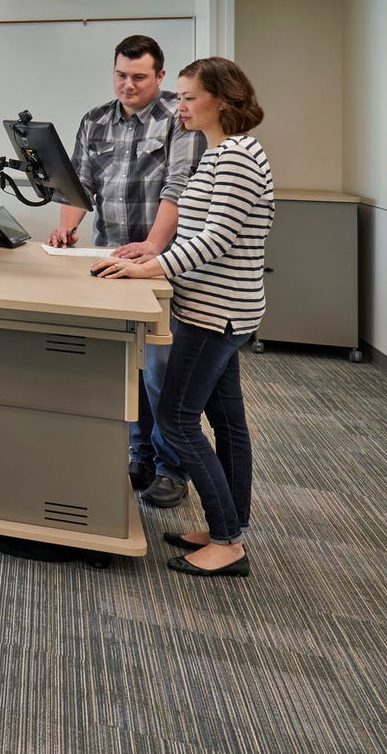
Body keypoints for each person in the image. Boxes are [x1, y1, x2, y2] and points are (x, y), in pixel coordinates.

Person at [92, 58, 272, 577]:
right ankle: (228, 527)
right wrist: (151, 261)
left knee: (175, 419)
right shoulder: (224, 152)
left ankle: (227, 542)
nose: (181, 106)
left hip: (215, 311)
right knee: (227, 423)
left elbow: (215, 240)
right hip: (221, 307)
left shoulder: (234, 156)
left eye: (191, 97)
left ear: (224, 99)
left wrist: (151, 265)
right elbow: (202, 235)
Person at [47, 34, 204, 508]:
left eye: (139, 76)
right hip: (110, 259)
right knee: (123, 364)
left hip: (160, 265)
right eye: (121, 75)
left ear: (159, 76)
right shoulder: (95, 120)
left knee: (161, 370)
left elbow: (179, 185)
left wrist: (153, 248)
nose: (127, 85)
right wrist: (65, 231)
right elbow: (79, 186)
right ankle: (139, 450)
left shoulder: (181, 117)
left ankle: (172, 465)